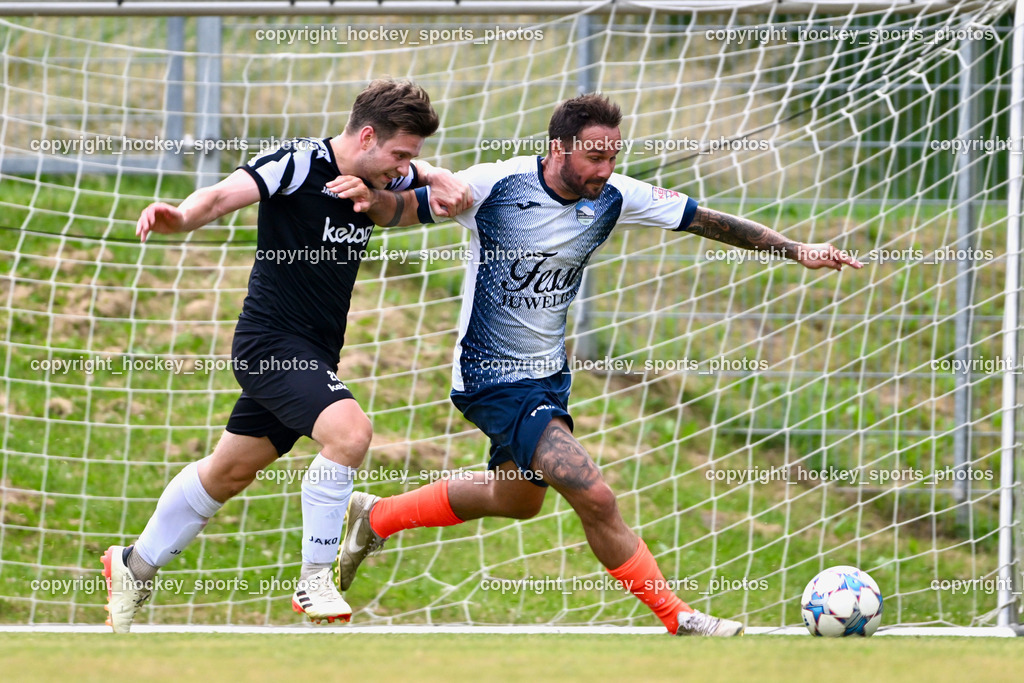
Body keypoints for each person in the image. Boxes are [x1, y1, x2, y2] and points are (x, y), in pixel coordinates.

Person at [335, 93, 863, 636]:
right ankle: (677, 617)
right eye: (594, 156)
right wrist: (370, 198)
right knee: (594, 492)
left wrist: (795, 248)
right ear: (558, 148)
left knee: (514, 500)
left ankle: (376, 517)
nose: (605, 168)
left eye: (613, 156)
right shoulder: (499, 184)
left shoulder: (614, 194)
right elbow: (404, 205)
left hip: (548, 377)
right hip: (491, 376)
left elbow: (707, 220)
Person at [102, 78, 471, 633]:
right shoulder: (297, 164)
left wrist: (437, 175)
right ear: (366, 135)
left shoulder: (376, 180)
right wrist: (181, 217)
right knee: (350, 434)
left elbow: (424, 183)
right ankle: (315, 578)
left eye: (410, 158)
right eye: (398, 153)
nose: (403, 167)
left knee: (224, 475)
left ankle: (133, 565)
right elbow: (223, 195)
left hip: (317, 353)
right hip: (270, 344)